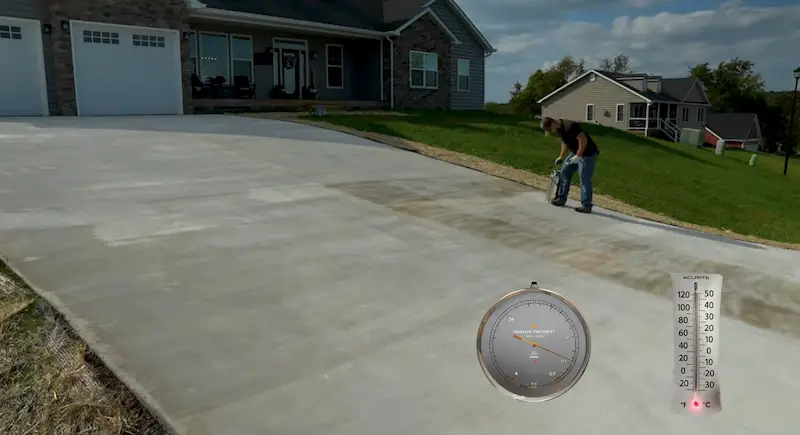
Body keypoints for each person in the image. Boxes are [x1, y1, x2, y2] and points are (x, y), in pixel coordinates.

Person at [540, 116, 600, 213]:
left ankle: (586, 205)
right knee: (564, 172)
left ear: (552, 123)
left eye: (550, 129)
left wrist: (578, 156)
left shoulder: (570, 126)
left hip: (587, 154)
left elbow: (583, 140)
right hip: (575, 152)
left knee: (584, 178)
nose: (551, 131)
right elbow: (565, 143)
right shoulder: (559, 130)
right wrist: (561, 157)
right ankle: (561, 198)